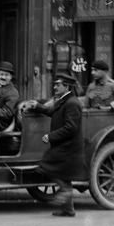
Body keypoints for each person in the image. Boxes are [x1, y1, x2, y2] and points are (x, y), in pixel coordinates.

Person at [23, 72, 86, 217]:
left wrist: (50, 136)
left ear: (67, 86)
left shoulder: (72, 103)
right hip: (64, 145)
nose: (55, 87)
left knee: (47, 166)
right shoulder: (65, 100)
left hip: (68, 146)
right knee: (64, 176)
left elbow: (71, 128)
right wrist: (37, 106)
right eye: (55, 84)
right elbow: (52, 111)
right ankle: (68, 209)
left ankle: (65, 191)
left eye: (58, 84)